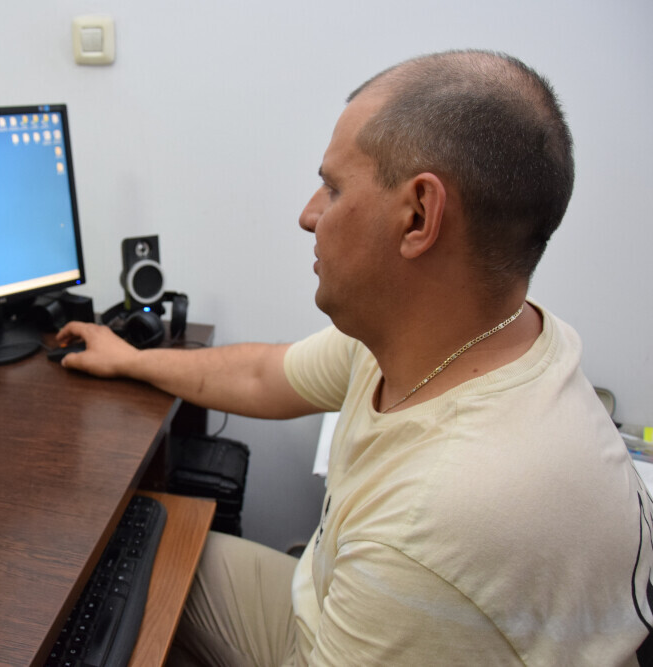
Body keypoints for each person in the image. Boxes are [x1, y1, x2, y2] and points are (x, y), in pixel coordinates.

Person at [56, 50, 653, 665]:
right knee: (123, 557)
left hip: (358, 623)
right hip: (327, 601)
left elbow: (417, 544)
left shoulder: (436, 519)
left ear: (418, 216)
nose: (308, 214)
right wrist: (127, 359)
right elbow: (263, 376)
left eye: (334, 187)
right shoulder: (457, 334)